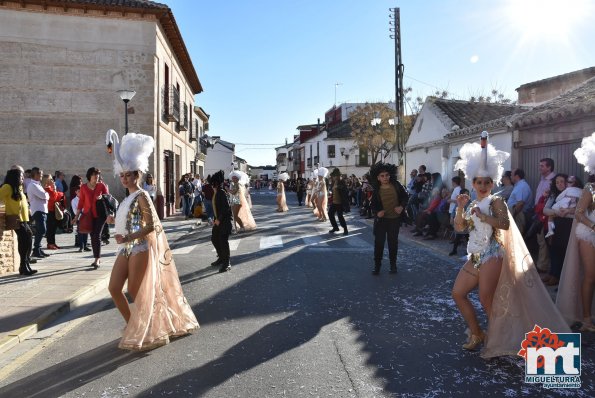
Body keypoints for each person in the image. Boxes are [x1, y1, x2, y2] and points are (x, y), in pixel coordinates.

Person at [451, 131, 569, 357]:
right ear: (473, 182)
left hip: (493, 254)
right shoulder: (473, 201)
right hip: (475, 256)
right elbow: (459, 227)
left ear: (492, 182)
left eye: (487, 182)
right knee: (458, 293)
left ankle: (505, 339)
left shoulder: (496, 201)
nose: (483, 185)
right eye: (479, 182)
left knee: (487, 299)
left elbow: (504, 224)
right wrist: (459, 207)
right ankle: (477, 333)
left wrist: (484, 217)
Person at [105, 131, 199, 350]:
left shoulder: (142, 196)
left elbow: (151, 226)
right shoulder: (127, 198)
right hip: (126, 248)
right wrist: (113, 221)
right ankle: (135, 325)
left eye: (129, 174)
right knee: (114, 288)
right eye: (122, 175)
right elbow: (129, 221)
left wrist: (128, 236)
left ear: (137, 175)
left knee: (137, 293)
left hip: (140, 248)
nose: (125, 178)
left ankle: (147, 328)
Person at [557, 132, 595, 331]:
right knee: (590, 275)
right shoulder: (590, 187)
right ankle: (587, 319)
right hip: (588, 233)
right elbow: (579, 213)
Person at [369, 162, 408, 275]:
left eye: (387, 175)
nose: (385, 177)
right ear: (378, 177)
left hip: (394, 219)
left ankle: (393, 265)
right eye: (382, 176)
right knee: (379, 243)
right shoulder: (376, 189)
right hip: (381, 221)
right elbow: (373, 205)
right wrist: (377, 213)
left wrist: (401, 206)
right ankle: (377, 266)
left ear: (390, 175)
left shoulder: (396, 185)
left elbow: (405, 196)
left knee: (393, 243)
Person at [0, 167, 37, 275]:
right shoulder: (7, 187)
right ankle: (23, 266)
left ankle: (25, 264)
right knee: (25, 240)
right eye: (21, 177)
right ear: (15, 177)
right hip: (16, 219)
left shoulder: (18, 188)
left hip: (24, 219)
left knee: (28, 239)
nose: (23, 179)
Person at [73, 167, 108, 269]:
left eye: (97, 174)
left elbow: (108, 198)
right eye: (94, 174)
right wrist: (76, 216)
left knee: (97, 234)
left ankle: (96, 259)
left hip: (100, 214)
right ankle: (97, 256)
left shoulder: (101, 185)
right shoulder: (83, 187)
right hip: (89, 215)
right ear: (89, 176)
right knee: (93, 236)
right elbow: (81, 202)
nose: (96, 176)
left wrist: (103, 197)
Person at [210, 170, 233, 273]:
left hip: (225, 221)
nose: (211, 186)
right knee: (214, 238)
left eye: (212, 184)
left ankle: (227, 263)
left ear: (216, 184)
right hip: (218, 221)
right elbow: (216, 208)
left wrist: (219, 219)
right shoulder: (216, 193)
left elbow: (226, 209)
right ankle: (221, 258)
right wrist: (214, 219)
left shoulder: (222, 193)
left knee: (223, 241)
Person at [28, 167, 50, 259]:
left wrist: (46, 195)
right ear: (35, 174)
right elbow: (43, 195)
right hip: (38, 210)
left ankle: (38, 249)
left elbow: (46, 195)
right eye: (40, 174)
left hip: (42, 210)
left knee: (42, 230)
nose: (41, 176)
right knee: (42, 230)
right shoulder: (33, 185)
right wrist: (46, 195)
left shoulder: (38, 184)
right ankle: (36, 250)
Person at [507, 168, 533, 235]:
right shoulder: (519, 185)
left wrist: (512, 216)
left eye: (512, 175)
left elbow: (520, 204)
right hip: (517, 214)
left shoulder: (522, 186)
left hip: (519, 215)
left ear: (517, 176)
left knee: (518, 236)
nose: (510, 177)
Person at [44, 174, 65, 250]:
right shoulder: (46, 189)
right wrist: (55, 190)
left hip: (53, 210)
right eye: (51, 179)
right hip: (49, 210)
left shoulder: (50, 188)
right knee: (50, 228)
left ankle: (52, 242)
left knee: (53, 228)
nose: (53, 181)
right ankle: (50, 243)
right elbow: (53, 198)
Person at [328, 168, 349, 235]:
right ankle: (335, 227)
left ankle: (345, 229)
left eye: (334, 176)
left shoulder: (342, 182)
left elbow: (345, 190)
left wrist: (339, 187)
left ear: (337, 176)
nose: (333, 177)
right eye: (333, 176)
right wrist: (330, 193)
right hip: (334, 202)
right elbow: (333, 190)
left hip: (340, 202)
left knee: (340, 216)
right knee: (330, 213)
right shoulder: (334, 182)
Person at [71, 187, 90, 252]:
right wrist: (80, 213)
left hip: (86, 216)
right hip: (79, 217)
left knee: (86, 232)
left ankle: (85, 245)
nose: (80, 192)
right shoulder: (74, 200)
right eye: (78, 191)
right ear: (76, 192)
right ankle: (81, 246)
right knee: (80, 232)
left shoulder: (85, 198)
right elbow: (75, 210)